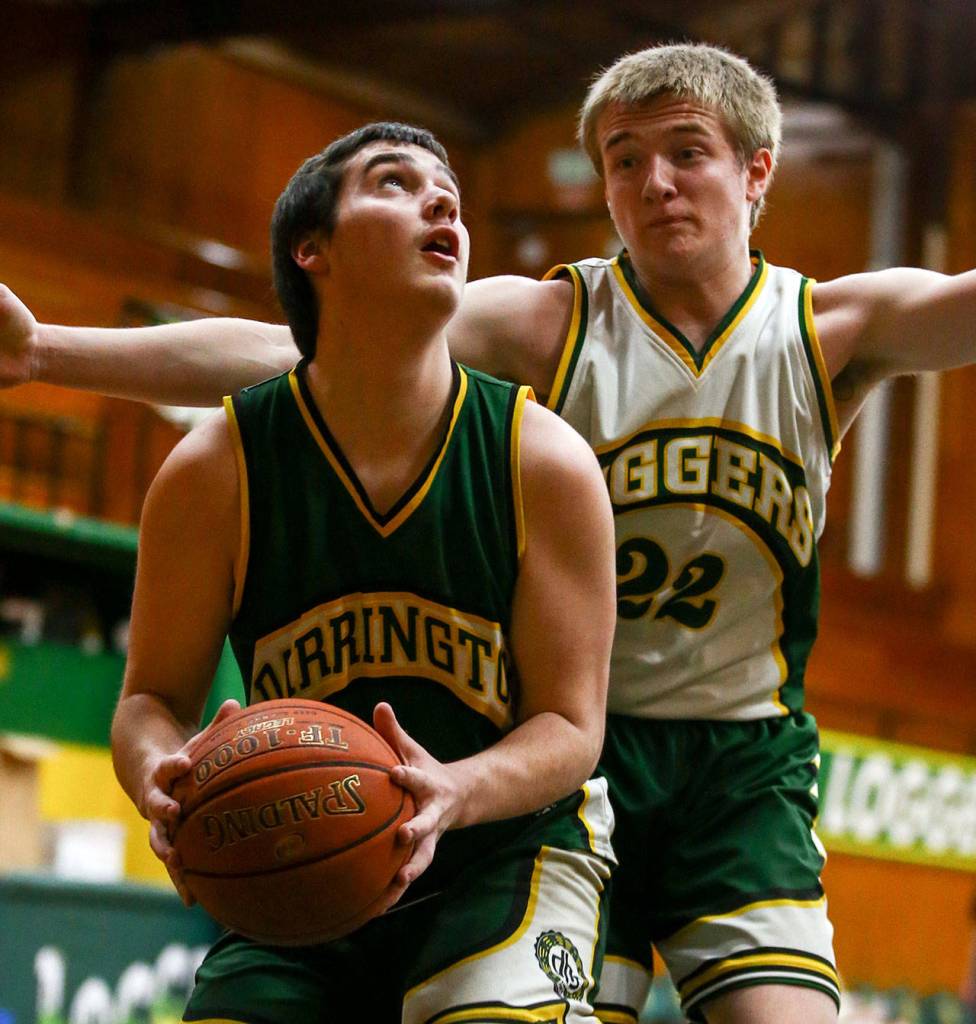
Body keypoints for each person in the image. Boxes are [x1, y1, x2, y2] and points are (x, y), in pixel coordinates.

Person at [2, 40, 976, 1024]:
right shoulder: (551, 320)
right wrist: (46, 348)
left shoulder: (826, 328)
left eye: (686, 152)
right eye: (624, 159)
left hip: (734, 759)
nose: (655, 182)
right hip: (563, 757)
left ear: (756, 170)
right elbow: (295, 350)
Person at [109, 121, 618, 1023]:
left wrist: (455, 792)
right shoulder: (216, 469)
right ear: (313, 249)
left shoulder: (543, 460)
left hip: (507, 853)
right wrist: (159, 773)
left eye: (449, 189)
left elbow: (572, 726)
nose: (442, 200)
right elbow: (149, 700)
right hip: (300, 864)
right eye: (394, 182)